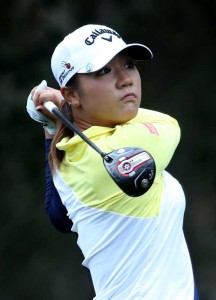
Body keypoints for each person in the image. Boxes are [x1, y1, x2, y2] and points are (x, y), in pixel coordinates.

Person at [26, 24, 199, 300]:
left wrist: (52, 128)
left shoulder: (73, 152)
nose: (125, 79)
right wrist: (62, 113)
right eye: (103, 70)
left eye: (129, 65)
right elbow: (170, 124)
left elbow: (59, 215)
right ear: (70, 93)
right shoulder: (115, 151)